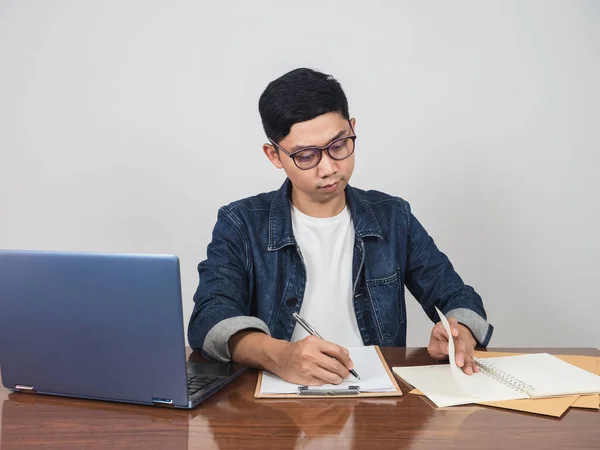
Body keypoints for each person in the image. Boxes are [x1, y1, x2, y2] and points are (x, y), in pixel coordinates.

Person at [188, 68, 493, 385]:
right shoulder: (242, 223)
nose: (329, 168)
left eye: (339, 145)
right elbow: (209, 318)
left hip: (376, 405)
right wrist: (281, 356)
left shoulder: (392, 217)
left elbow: (457, 296)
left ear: (353, 129)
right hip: (276, 408)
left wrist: (460, 332)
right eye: (306, 156)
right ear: (274, 155)